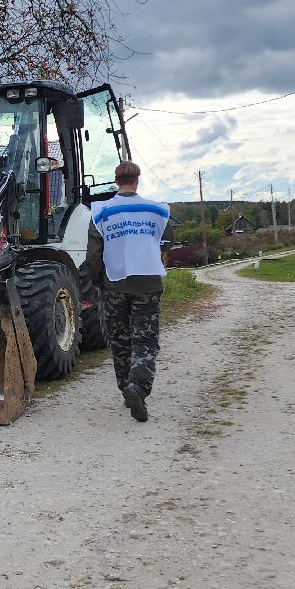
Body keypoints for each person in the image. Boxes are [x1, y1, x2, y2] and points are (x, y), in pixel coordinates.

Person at [85, 160, 170, 422]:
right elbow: (166, 242)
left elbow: (93, 255)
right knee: (145, 340)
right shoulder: (157, 210)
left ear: (116, 180)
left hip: (115, 283)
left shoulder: (101, 213)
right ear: (137, 180)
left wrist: (100, 282)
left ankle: (126, 388)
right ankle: (139, 387)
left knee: (120, 339)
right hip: (148, 283)